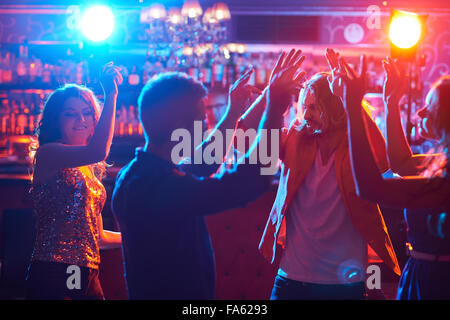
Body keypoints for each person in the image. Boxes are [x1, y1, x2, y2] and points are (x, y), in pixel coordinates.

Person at [111, 56, 304, 299]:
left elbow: (205, 160)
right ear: (179, 125)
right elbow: (250, 180)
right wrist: (274, 107)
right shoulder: (159, 188)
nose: (205, 125)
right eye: (201, 119)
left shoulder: (137, 175)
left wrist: (235, 110)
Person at [253, 49, 401, 300]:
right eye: (303, 107)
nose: (306, 114)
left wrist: (350, 100)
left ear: (334, 106)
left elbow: (383, 161)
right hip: (291, 279)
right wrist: (271, 95)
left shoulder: (356, 146)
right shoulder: (295, 138)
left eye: (314, 107)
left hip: (343, 285)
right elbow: (254, 151)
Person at [339, 53, 450, 299]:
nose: (420, 113)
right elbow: (401, 162)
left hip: (437, 282)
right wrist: (391, 103)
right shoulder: (442, 164)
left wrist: (353, 110)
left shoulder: (445, 178)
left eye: (430, 107)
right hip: (424, 272)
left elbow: (370, 188)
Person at [25, 63, 123, 300]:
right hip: (56, 270)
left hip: (86, 270)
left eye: (87, 112)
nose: (81, 119)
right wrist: (111, 95)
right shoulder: (49, 154)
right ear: (55, 120)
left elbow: (98, 236)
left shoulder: (89, 169)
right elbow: (99, 150)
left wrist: (142, 233)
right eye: (70, 113)